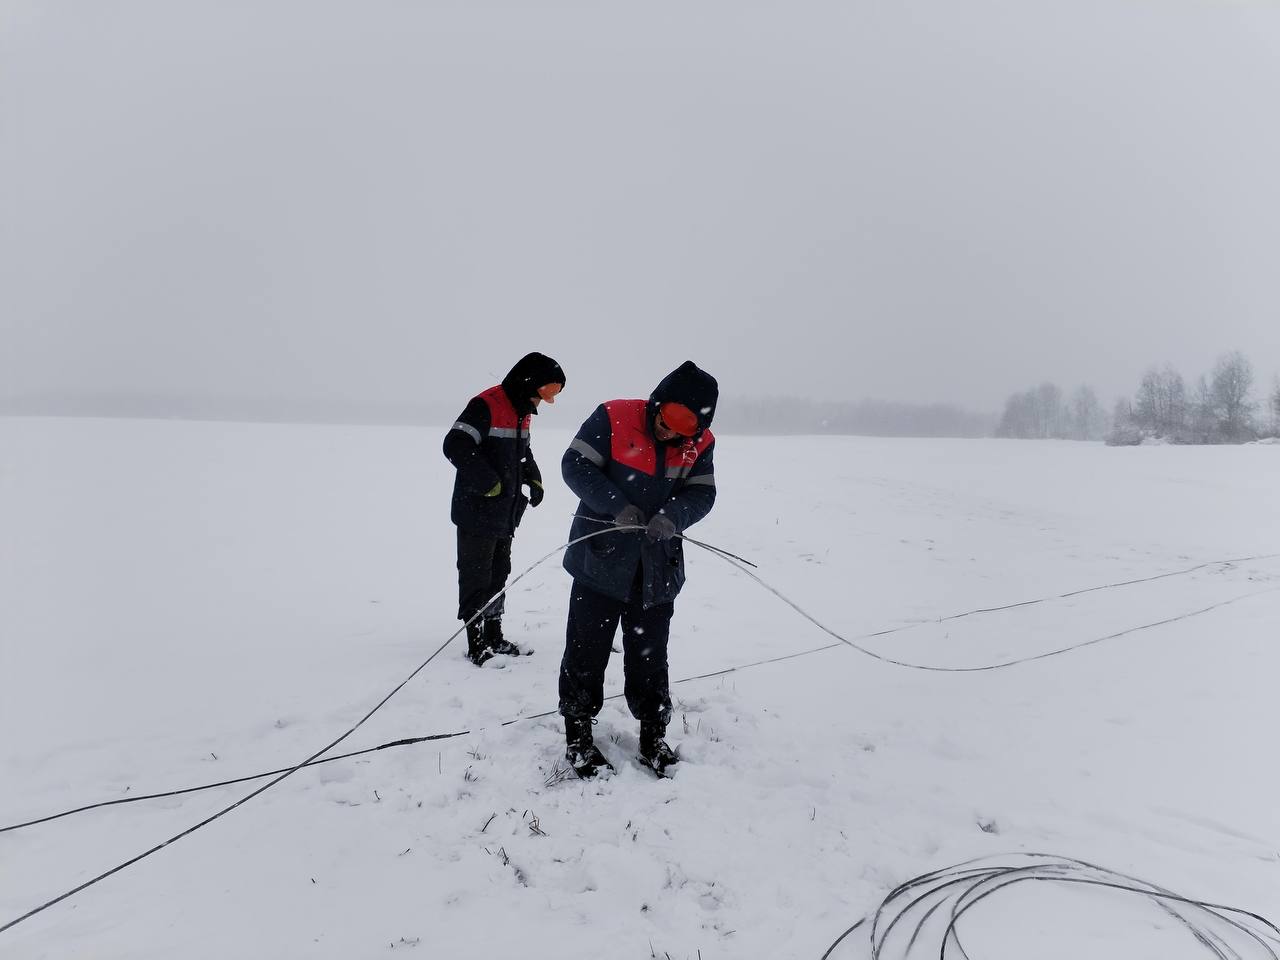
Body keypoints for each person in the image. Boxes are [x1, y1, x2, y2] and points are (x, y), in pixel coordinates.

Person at [557, 361, 718, 777]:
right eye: (665, 422)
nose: (668, 433)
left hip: (657, 568)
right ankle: (578, 736)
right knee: (586, 650)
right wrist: (616, 506)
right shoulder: (614, 416)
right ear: (657, 403)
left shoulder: (700, 444)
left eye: (681, 430)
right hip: (600, 559)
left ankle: (652, 736)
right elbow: (575, 464)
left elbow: (702, 493)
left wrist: (673, 516)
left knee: (650, 657)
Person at [443, 352, 566, 666]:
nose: (545, 401)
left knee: (499, 573)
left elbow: (521, 451)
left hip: (505, 511)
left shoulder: (522, 410)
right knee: (476, 576)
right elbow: (455, 444)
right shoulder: (486, 405)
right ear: (529, 384)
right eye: (546, 392)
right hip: (476, 509)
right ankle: (476, 644)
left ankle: (494, 635)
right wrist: (488, 482)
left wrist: (533, 477)